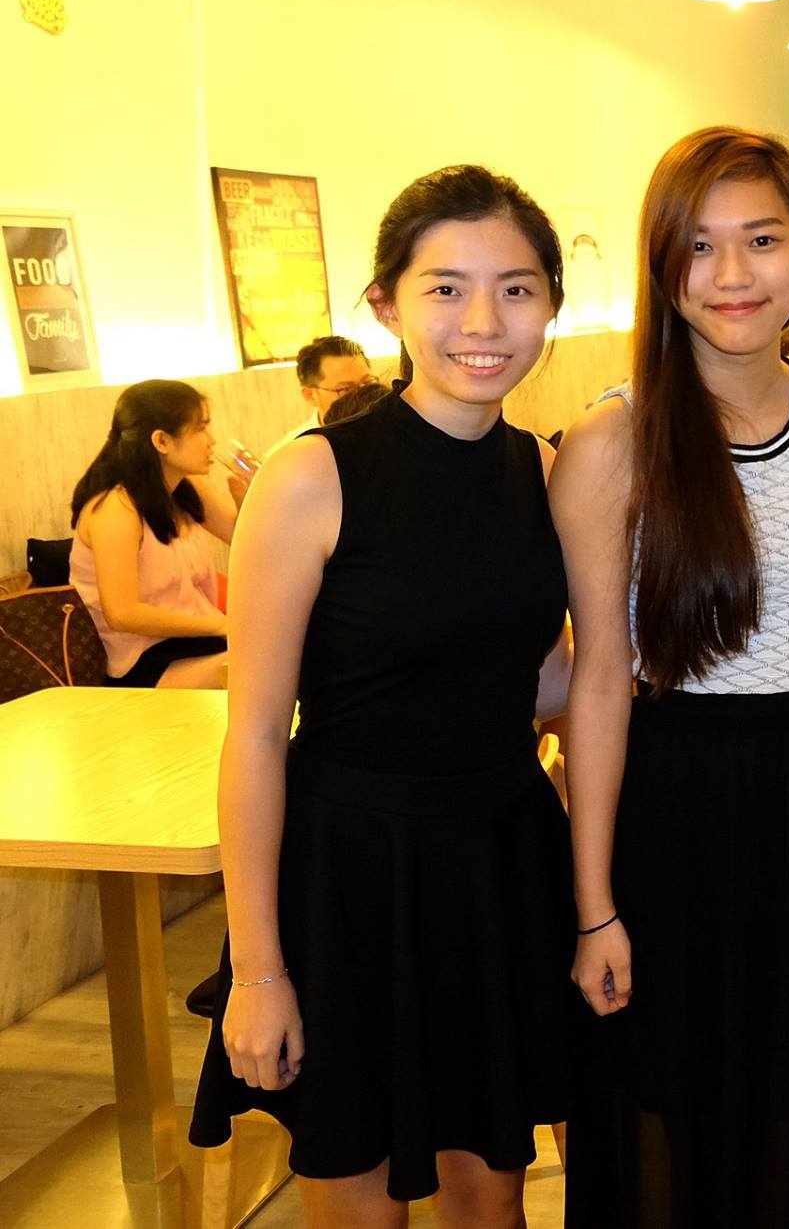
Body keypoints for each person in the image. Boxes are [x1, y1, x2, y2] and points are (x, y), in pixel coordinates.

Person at [190, 165, 579, 1228]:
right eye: (445, 288)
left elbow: (537, 674)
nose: (483, 322)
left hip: (500, 858)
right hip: (350, 872)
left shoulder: (545, 470)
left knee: (491, 1196)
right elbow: (255, 733)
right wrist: (258, 971)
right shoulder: (312, 476)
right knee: (359, 1202)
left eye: (516, 288)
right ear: (386, 304)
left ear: (550, 303)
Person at [551, 127, 789, 1226]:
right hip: (673, 804)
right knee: (672, 1108)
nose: (732, 273)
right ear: (663, 265)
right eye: (699, 245)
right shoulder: (612, 442)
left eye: (762, 239)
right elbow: (599, 682)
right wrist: (594, 908)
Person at [68, 379, 235, 688]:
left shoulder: (189, 489)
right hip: (145, 660)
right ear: (161, 441)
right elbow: (123, 614)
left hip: (199, 642)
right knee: (266, 667)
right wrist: (223, 625)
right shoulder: (116, 508)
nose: (211, 440)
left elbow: (248, 542)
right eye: (200, 429)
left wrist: (251, 495)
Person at [272, 335, 374, 454]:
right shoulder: (292, 454)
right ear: (309, 395)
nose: (363, 394)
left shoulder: (388, 429)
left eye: (368, 382)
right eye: (346, 389)